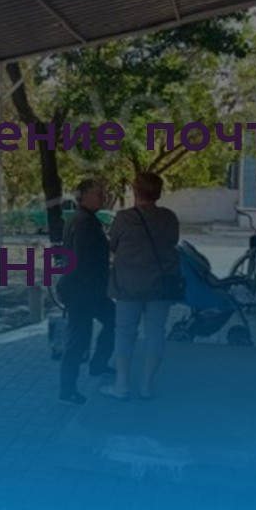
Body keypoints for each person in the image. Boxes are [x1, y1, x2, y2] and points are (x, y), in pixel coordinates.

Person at [102, 172, 180, 401]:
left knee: (125, 333)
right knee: (156, 333)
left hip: (128, 285)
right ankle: (146, 386)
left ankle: (122, 384)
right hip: (160, 285)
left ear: (135, 191)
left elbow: (112, 245)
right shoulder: (169, 217)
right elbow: (173, 242)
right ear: (158, 193)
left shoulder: (124, 218)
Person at [56, 179, 117, 405]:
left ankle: (98, 364)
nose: (102, 196)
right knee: (79, 339)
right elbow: (82, 261)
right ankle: (67, 390)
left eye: (103, 192)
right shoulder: (84, 223)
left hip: (88, 290)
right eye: (97, 193)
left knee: (114, 320)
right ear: (82, 196)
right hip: (82, 291)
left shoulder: (83, 219)